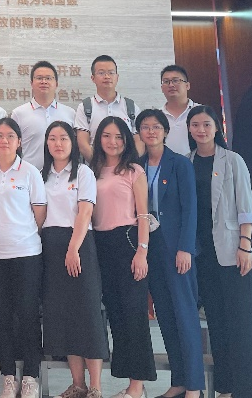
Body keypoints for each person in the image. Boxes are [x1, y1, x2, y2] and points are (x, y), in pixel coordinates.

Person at [187, 106, 252, 398]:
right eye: (195, 125)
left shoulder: (232, 160)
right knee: (216, 323)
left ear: (217, 127)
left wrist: (245, 244)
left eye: (206, 124)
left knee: (242, 324)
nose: (201, 130)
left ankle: (248, 391)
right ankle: (225, 388)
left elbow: (246, 207)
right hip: (202, 255)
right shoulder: (186, 162)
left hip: (233, 251)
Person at [136, 110, 202, 398]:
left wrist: (185, 248)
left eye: (156, 127)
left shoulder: (179, 164)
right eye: (145, 127)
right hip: (150, 248)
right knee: (164, 315)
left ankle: (194, 386)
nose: (151, 132)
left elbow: (190, 208)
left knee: (185, 316)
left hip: (176, 249)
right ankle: (179, 381)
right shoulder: (137, 165)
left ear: (165, 131)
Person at [40, 121, 109, 398]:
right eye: (53, 138)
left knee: (87, 314)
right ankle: (78, 384)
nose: (58, 144)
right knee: (64, 315)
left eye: (64, 138)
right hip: (51, 245)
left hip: (79, 244)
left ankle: (95, 387)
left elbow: (85, 212)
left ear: (73, 143)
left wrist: (73, 249)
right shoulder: (42, 175)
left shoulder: (83, 172)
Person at [90, 116, 155, 398]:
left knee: (133, 315)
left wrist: (142, 251)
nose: (113, 141)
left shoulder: (134, 171)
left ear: (126, 140)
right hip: (100, 246)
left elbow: (143, 215)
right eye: (107, 135)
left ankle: (137, 387)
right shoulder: (91, 171)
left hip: (128, 243)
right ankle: (130, 384)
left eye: (118, 136)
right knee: (116, 315)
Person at [0, 117, 46, 398]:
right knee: (2, 315)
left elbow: (39, 214)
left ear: (19, 141)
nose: (5, 140)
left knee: (29, 314)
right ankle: (8, 376)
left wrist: (22, 234)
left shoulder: (30, 172)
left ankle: (31, 376)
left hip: (27, 253)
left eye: (10, 136)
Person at [11, 61, 74, 170]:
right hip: (29, 174)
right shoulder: (18, 113)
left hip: (63, 175)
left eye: (48, 78)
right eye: (39, 78)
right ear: (31, 83)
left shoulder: (70, 113)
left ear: (56, 84)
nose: (44, 82)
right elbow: (14, 148)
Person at [76, 56, 140, 162]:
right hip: (95, 168)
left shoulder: (131, 107)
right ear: (93, 78)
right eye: (101, 73)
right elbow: (83, 144)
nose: (107, 76)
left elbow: (139, 141)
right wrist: (100, 166)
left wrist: (127, 164)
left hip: (126, 167)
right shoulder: (85, 107)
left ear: (117, 77)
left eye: (111, 73)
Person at [159, 66, 198, 156]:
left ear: (187, 85)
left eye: (176, 80)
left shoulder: (202, 112)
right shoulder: (157, 116)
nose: (171, 85)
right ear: (162, 88)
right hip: (166, 163)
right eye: (166, 82)